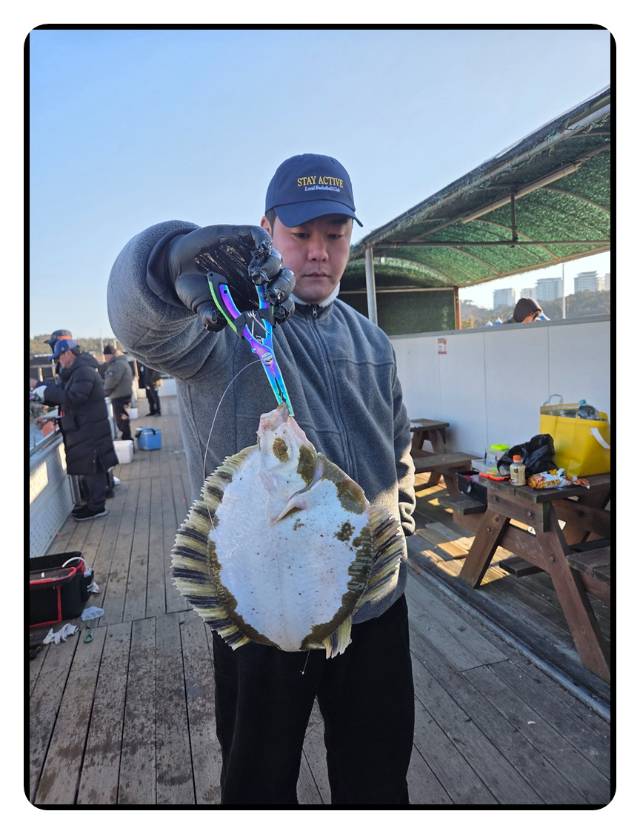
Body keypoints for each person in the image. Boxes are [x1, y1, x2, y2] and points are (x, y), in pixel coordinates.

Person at [108, 153, 416, 806]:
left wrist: (402, 522)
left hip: (374, 606)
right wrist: (166, 260)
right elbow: (140, 324)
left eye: (335, 234)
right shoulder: (221, 328)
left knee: (378, 780)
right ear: (267, 230)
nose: (318, 251)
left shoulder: (373, 342)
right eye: (300, 233)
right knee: (258, 786)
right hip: (262, 613)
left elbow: (398, 447)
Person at [31, 339, 118, 521]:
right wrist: (40, 389)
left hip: (90, 429)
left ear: (68, 353)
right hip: (86, 427)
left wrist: (45, 392)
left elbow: (74, 397)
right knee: (90, 468)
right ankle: (94, 504)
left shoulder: (83, 371)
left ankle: (97, 507)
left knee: (93, 468)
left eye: (59, 357)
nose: (58, 361)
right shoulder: (76, 372)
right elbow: (63, 392)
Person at [102, 343, 134, 440]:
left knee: (121, 419)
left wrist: (105, 391)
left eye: (106, 357)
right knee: (123, 417)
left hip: (120, 396)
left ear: (111, 355)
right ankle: (127, 437)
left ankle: (127, 438)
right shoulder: (122, 362)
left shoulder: (117, 364)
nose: (105, 359)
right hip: (124, 394)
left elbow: (112, 380)